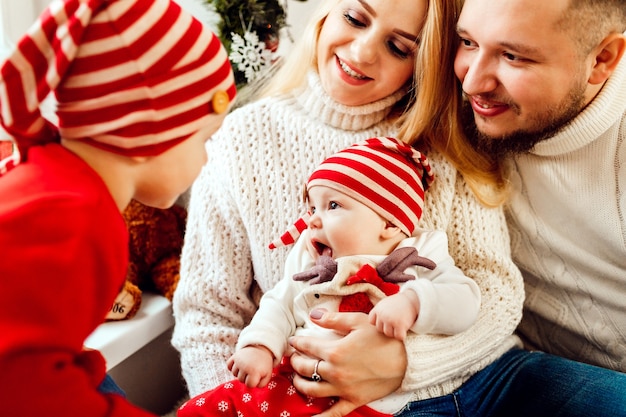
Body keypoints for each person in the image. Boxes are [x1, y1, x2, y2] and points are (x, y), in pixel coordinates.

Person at [172, 0, 527, 416]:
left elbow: (495, 292)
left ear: (423, 62)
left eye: (399, 47)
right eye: (355, 18)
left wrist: (406, 363)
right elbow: (208, 314)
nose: (361, 53)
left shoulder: (444, 139)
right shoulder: (242, 139)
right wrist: (243, 404)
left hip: (485, 380)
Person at [0, 0, 236, 415]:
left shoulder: (58, 183)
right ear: (148, 132)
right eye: (203, 139)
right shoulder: (73, 218)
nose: (206, 159)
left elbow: (40, 345)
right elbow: (20, 384)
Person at [178, 136, 481, 417]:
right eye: (312, 207)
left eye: (333, 205)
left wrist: (415, 303)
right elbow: (280, 304)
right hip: (298, 380)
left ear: (389, 223)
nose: (313, 219)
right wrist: (259, 346)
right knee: (211, 407)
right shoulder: (311, 259)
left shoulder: (420, 253)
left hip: (379, 400)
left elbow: (465, 301)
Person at [454, 0, 626, 372]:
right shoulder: (459, 109)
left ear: (602, 60)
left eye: (513, 56)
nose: (472, 83)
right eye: (468, 42)